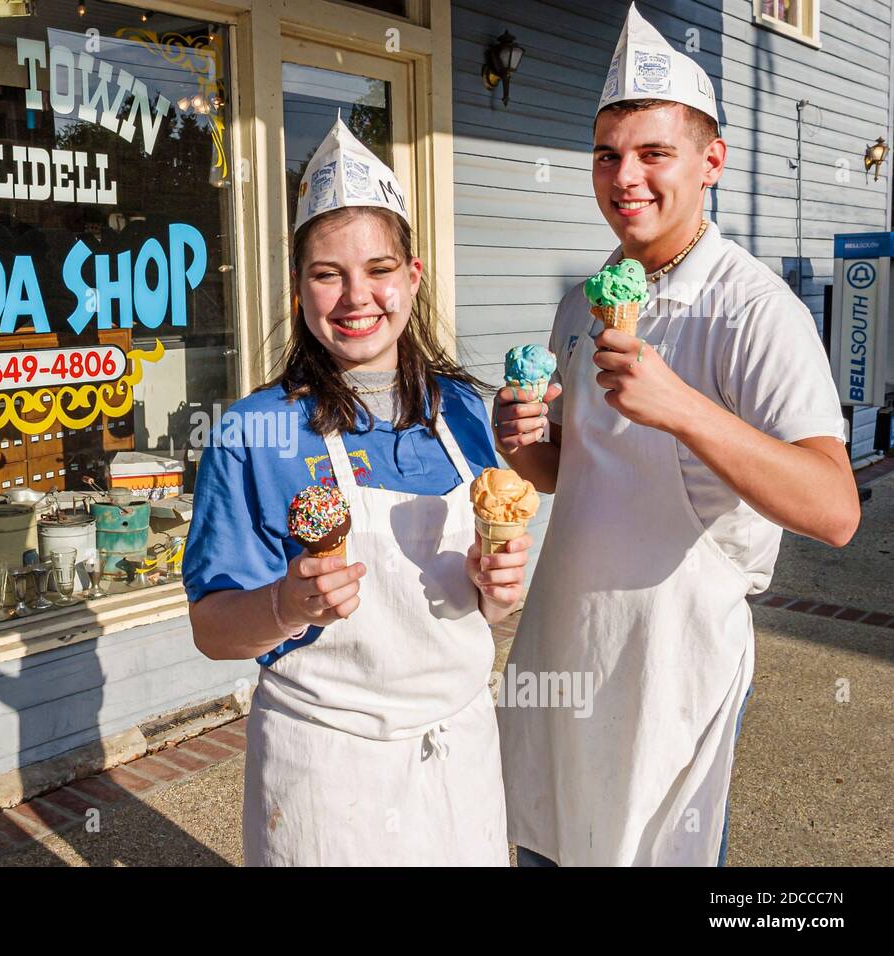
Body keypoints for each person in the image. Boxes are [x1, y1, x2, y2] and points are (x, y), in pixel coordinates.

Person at [493, 4, 860, 867]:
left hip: (673, 670)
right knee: (544, 847)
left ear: (711, 163)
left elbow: (835, 507)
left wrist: (683, 405)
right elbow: (568, 475)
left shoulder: (754, 308)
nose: (627, 177)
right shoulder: (580, 304)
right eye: (608, 154)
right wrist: (522, 445)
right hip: (561, 646)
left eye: (655, 153)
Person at [183, 118, 524, 866]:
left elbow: (494, 610)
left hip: (459, 755)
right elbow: (213, 630)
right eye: (327, 273)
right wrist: (284, 605)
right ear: (299, 285)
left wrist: (500, 589)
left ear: (414, 276)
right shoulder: (251, 433)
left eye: (378, 269)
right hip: (325, 774)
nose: (355, 297)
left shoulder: (465, 412)